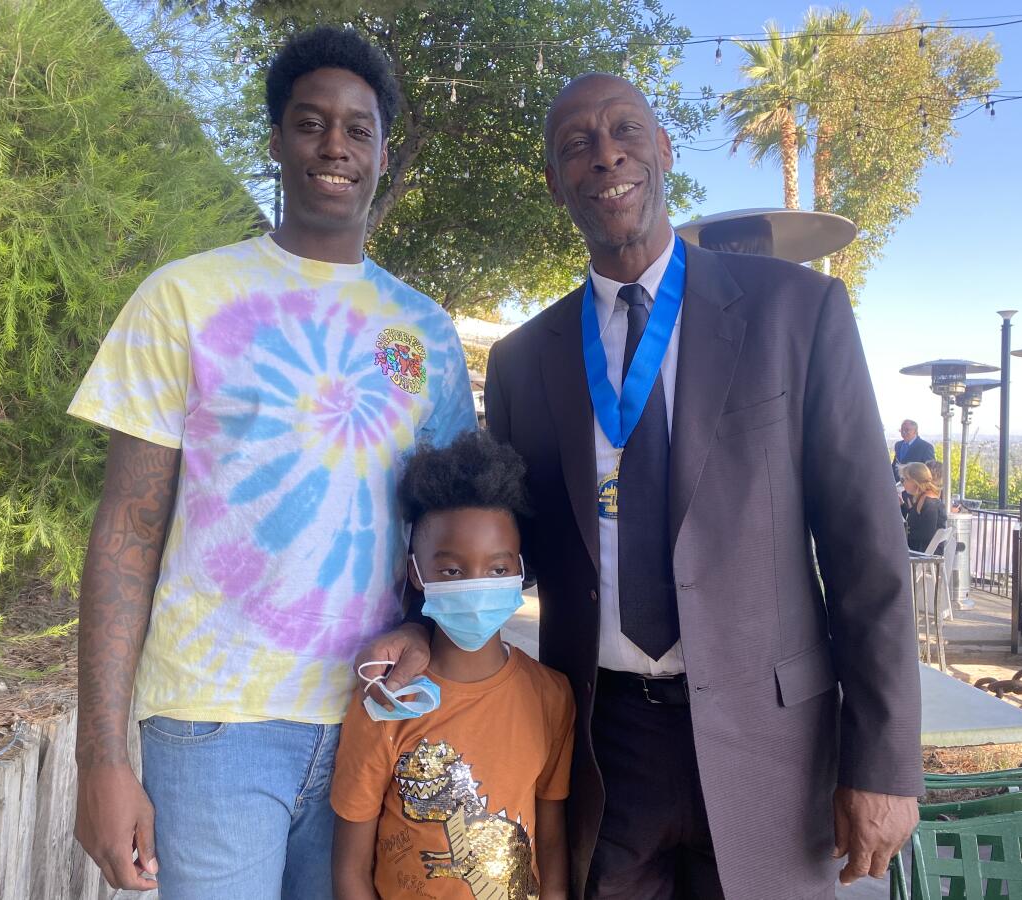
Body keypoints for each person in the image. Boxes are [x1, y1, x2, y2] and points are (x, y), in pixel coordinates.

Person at [479, 73, 922, 898]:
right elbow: (501, 553)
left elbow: (867, 557)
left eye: (624, 131)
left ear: (664, 150)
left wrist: (885, 763)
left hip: (773, 744)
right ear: (554, 180)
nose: (604, 153)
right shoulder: (523, 360)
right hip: (603, 746)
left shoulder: (799, 312)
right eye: (576, 143)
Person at [67, 26, 475, 898]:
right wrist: (99, 756)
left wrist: (426, 635)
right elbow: (127, 532)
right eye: (310, 123)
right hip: (212, 727)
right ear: (276, 141)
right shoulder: (184, 297)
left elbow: (448, 539)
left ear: (382, 152)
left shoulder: (427, 334)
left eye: (357, 129)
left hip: (378, 721)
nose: (335, 145)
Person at [331, 431, 575, 900]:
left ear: (520, 571)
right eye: (452, 571)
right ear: (416, 573)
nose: (476, 583)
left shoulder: (551, 697)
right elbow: (350, 873)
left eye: (498, 569)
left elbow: (552, 847)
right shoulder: (386, 704)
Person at [902, 462, 948, 553]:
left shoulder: (930, 503)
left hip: (924, 558)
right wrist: (903, 506)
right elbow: (916, 521)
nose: (903, 482)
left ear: (916, 481)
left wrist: (902, 535)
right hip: (918, 553)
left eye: (906, 479)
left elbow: (927, 534)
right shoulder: (923, 498)